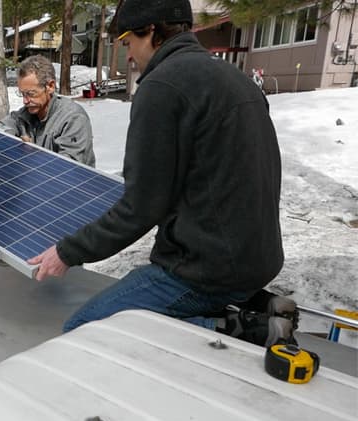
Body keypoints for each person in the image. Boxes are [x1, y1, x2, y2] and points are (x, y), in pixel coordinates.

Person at [27, 0, 293, 347]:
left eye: (127, 42)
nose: (129, 55)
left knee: (82, 330)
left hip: (206, 271)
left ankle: (236, 330)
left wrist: (68, 251)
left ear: (151, 31)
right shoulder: (234, 78)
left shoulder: (162, 87)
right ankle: (257, 305)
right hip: (259, 258)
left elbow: (141, 207)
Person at [0, 55, 96, 167]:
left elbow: (67, 170)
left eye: (31, 94)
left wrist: (32, 155)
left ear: (50, 86)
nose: (25, 101)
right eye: (22, 94)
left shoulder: (74, 119)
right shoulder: (25, 114)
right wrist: (11, 143)